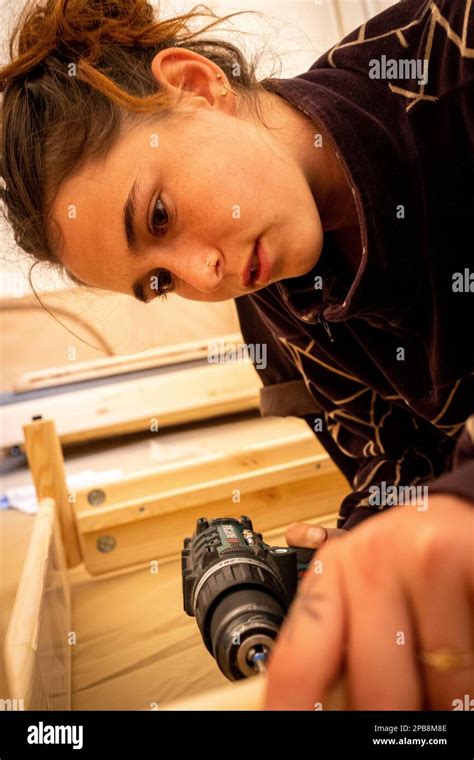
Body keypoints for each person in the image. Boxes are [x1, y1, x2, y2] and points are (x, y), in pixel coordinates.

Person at [1, 0, 472, 710]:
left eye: (158, 215)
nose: (202, 274)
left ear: (194, 85)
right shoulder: (272, 307)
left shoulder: (452, 58)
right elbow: (394, 457)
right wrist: (361, 545)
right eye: (159, 282)